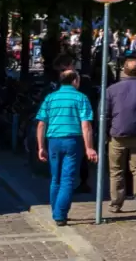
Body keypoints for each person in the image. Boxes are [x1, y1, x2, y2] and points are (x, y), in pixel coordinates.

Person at [35, 69, 97, 226]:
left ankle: (56, 211)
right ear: (75, 81)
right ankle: (60, 214)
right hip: (73, 141)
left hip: (53, 140)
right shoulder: (81, 98)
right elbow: (86, 125)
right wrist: (89, 147)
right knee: (68, 179)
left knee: (55, 178)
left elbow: (41, 124)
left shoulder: (50, 98)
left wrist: (41, 146)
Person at [103, 56, 136, 215]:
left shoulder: (111, 90)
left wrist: (106, 133)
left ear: (123, 70)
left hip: (117, 133)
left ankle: (116, 203)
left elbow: (106, 113)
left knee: (116, 170)